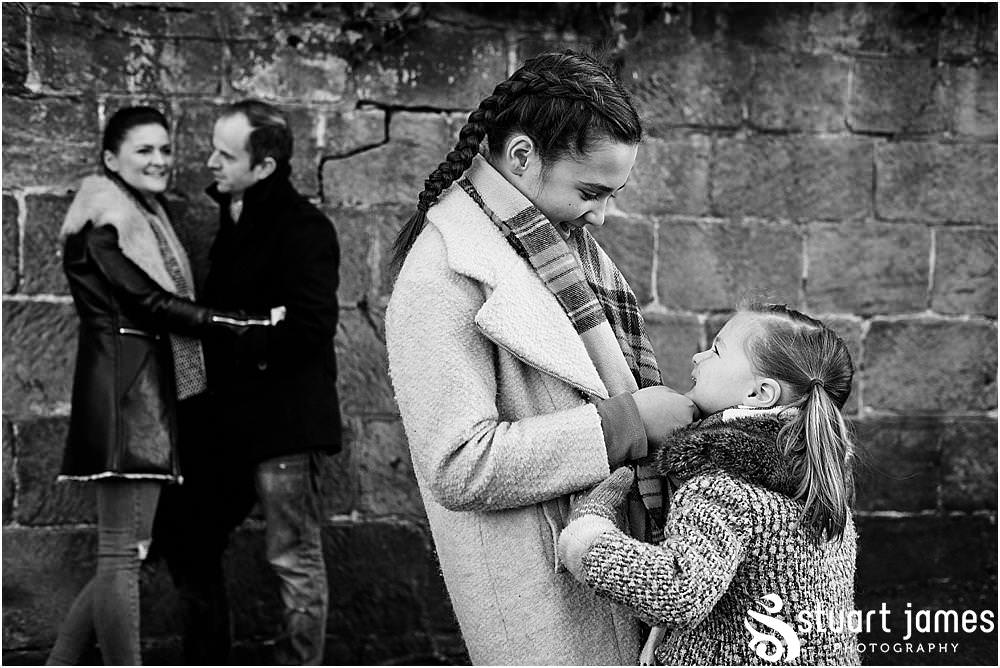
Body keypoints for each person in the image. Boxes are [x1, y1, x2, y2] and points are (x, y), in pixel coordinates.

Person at [385, 50, 696, 664]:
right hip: (543, 599)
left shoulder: (555, 245)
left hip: (607, 566)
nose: (601, 215)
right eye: (591, 191)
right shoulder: (441, 273)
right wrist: (628, 424)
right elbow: (458, 466)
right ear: (523, 156)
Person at [48, 106, 273, 665]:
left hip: (137, 393)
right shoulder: (105, 222)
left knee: (125, 553)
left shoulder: (144, 218)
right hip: (127, 398)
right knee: (123, 555)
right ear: (110, 159)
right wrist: (239, 323)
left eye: (165, 149)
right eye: (144, 150)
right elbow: (150, 302)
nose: (160, 160)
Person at [558, 303, 860, 665]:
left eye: (716, 350)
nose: (697, 357)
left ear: (759, 394)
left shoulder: (723, 488)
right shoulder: (822, 489)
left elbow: (677, 591)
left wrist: (588, 534)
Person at [152, 99, 341, 666]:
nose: (210, 161)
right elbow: (248, 321)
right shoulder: (233, 215)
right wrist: (253, 324)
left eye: (225, 154)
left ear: (264, 166)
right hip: (225, 423)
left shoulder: (304, 227)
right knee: (189, 540)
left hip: (283, 425)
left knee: (292, 558)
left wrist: (235, 331)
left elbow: (309, 327)